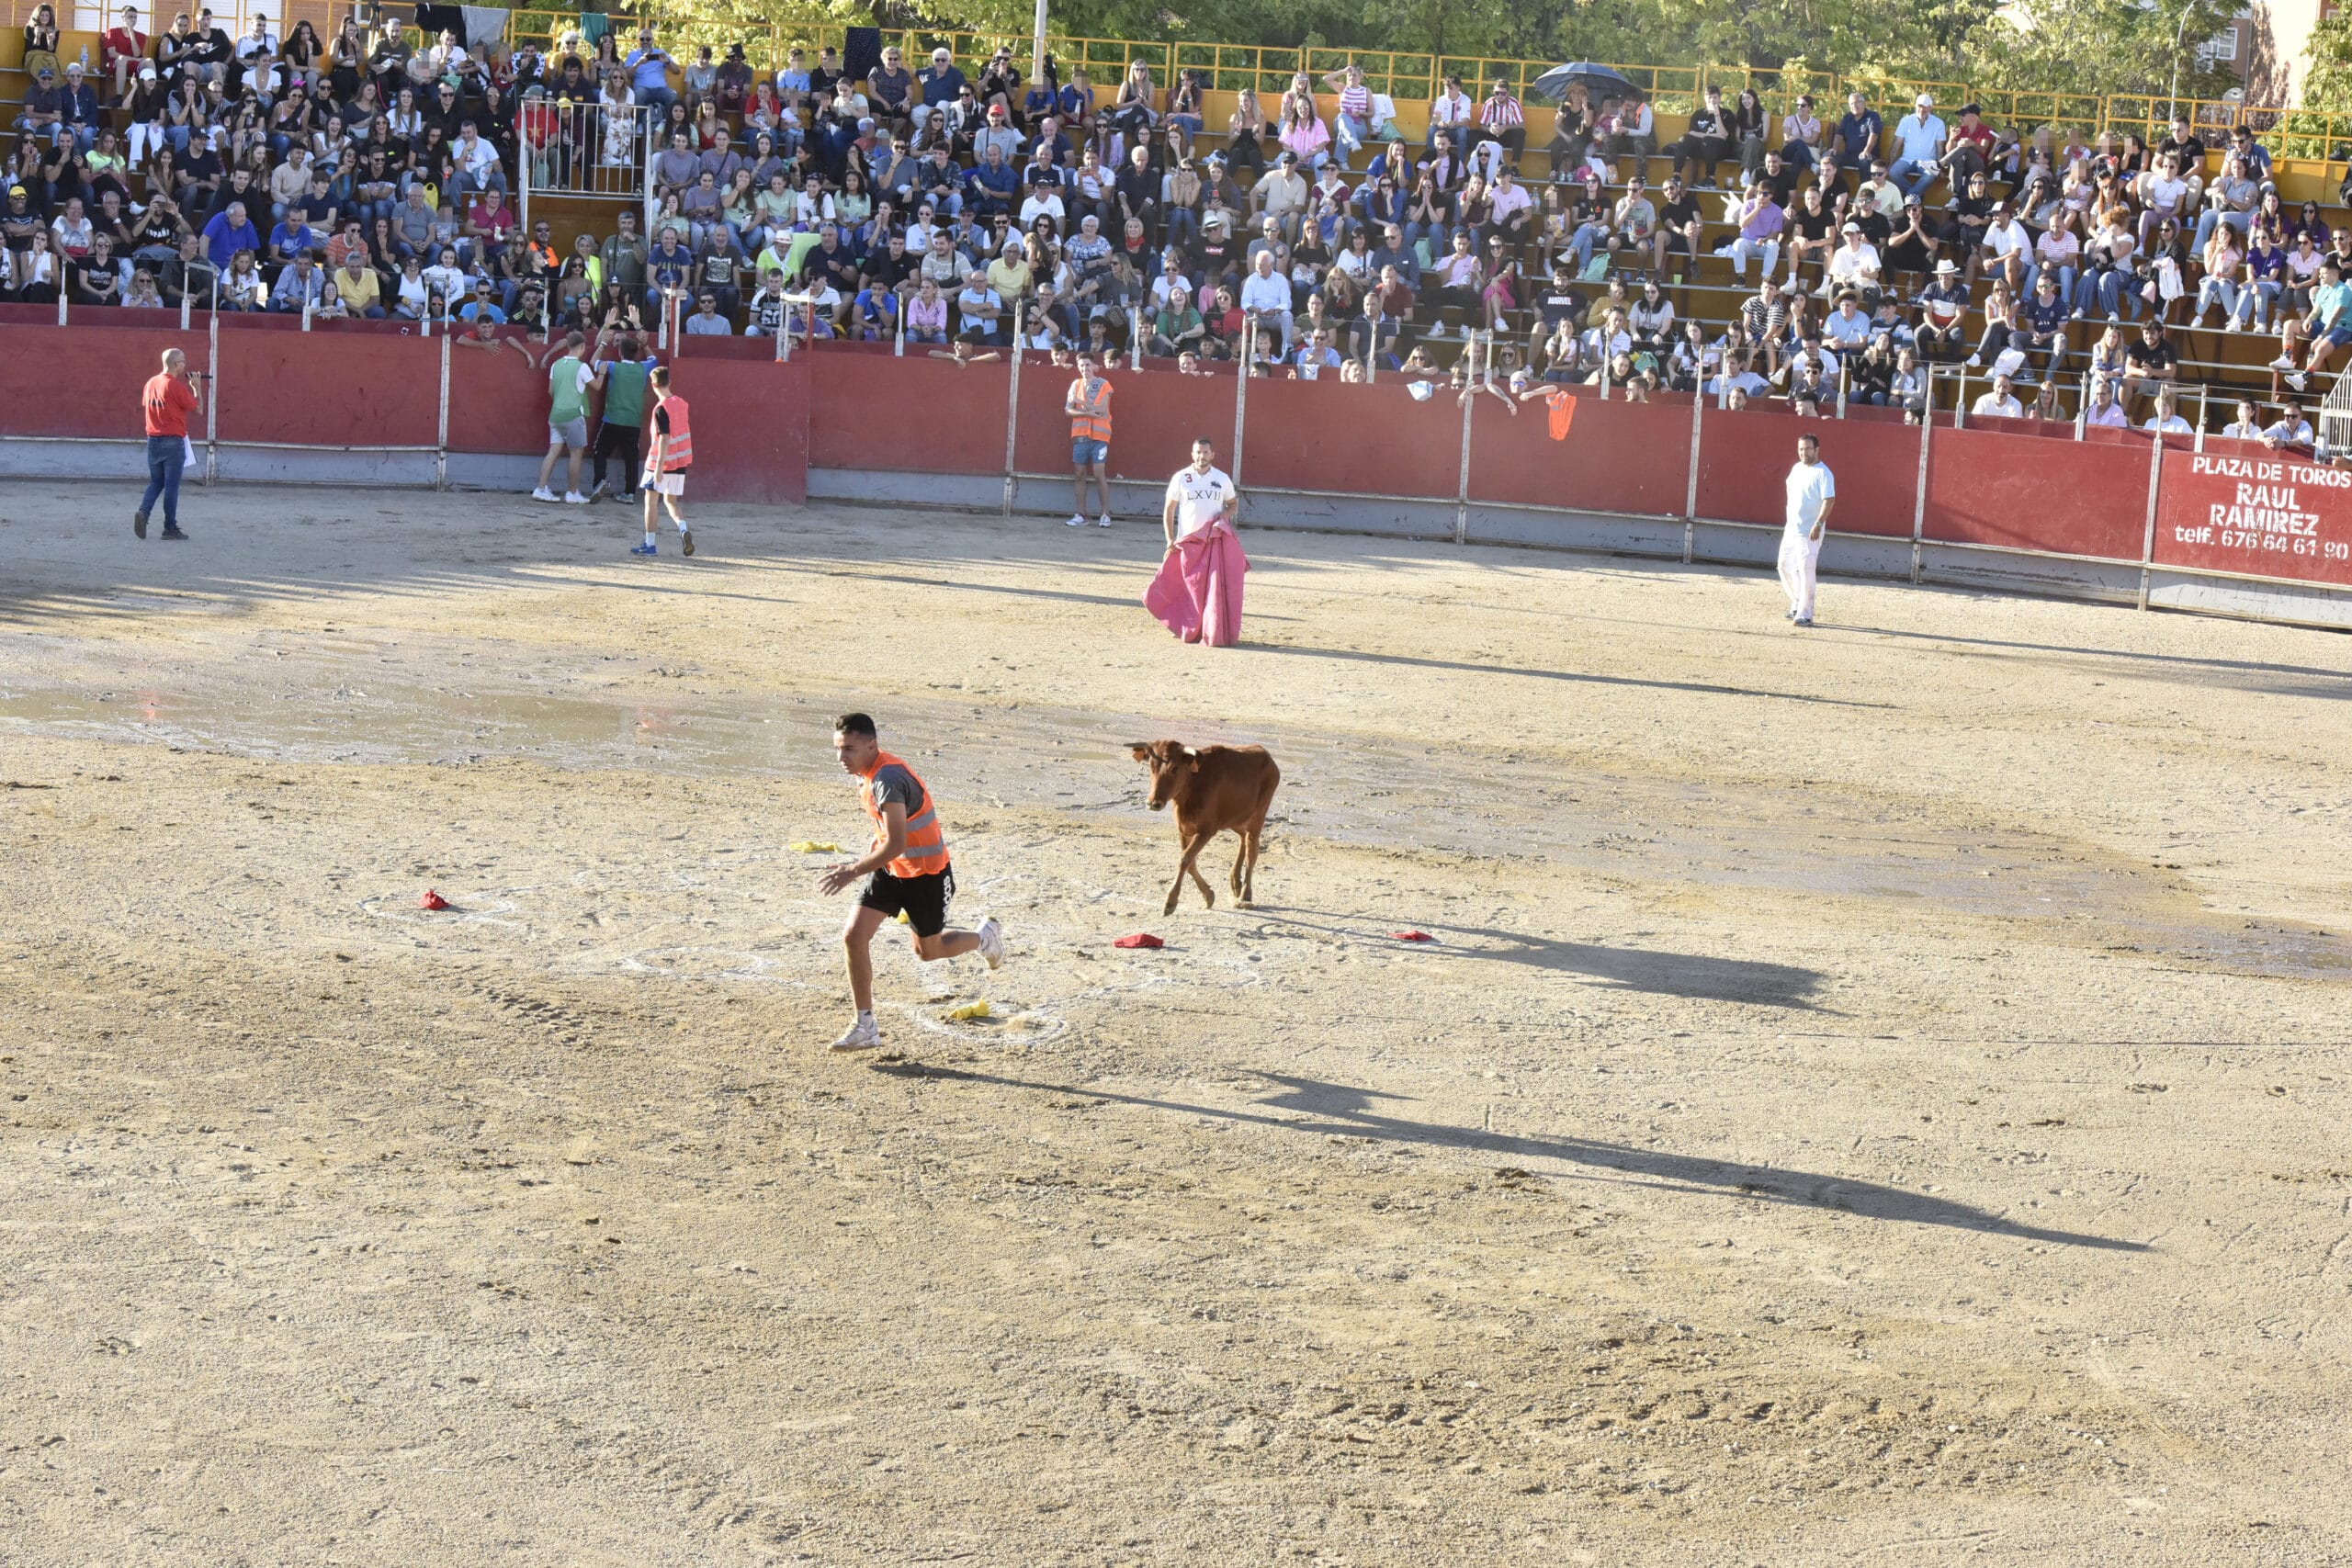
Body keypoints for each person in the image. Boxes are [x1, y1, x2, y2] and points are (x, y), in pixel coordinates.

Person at [817, 711, 1003, 1054]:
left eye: (849, 749)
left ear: (872, 745)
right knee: (853, 936)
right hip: (891, 871)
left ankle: (984, 938)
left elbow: (897, 843)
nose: (841, 757)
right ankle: (865, 1026)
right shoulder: (865, 773)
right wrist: (872, 850)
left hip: (926, 877)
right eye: (838, 749)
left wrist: (851, 870)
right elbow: (890, 834)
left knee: (928, 951)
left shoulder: (887, 778)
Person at [1147, 436, 1246, 647]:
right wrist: (1170, 539)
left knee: (1208, 588)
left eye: (1206, 452)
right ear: (1192, 454)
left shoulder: (1222, 478)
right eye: (1198, 452)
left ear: (1213, 454)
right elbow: (1169, 510)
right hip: (1187, 541)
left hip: (1212, 542)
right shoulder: (1181, 477)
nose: (1202, 456)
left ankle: (1205, 627)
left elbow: (1233, 504)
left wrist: (1225, 515)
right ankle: (1184, 625)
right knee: (1188, 587)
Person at [136, 347, 200, 541]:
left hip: (153, 440)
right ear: (175, 364)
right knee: (172, 486)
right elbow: (198, 409)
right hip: (172, 441)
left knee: (156, 482)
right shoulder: (175, 386)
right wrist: (197, 388)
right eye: (183, 361)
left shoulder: (150, 383)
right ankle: (169, 527)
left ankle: (144, 511)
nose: (185, 364)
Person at [633, 364, 694, 557]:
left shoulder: (661, 408)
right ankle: (683, 529)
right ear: (669, 382)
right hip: (680, 461)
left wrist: (659, 467)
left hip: (661, 462)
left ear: (653, 385)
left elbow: (665, 438)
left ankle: (650, 544)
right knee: (671, 501)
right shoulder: (682, 403)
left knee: (651, 501)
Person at [1780, 433, 1835, 628]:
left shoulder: (1824, 473)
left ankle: (1806, 613)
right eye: (1801, 449)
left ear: (1816, 450)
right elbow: (1789, 488)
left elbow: (1829, 500)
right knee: (1784, 565)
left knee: (1806, 570)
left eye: (1808, 449)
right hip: (1792, 527)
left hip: (1809, 530)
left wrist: (1818, 523)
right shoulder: (1796, 468)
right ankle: (1797, 603)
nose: (1803, 453)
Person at [533, 330, 594, 503]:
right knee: (576, 453)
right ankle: (572, 492)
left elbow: (551, 391)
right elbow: (596, 386)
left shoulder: (556, 364)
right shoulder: (582, 366)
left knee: (552, 452)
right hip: (573, 414)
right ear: (582, 347)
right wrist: (603, 374)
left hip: (556, 414)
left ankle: (541, 488)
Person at [1064, 351, 1114, 526]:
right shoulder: (1075, 384)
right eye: (1081, 365)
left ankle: (1105, 514)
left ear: (1094, 366)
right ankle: (1081, 514)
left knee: (1099, 473)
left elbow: (1102, 410)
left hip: (1100, 436)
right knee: (1079, 473)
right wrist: (1087, 412)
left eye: (1087, 365)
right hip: (1080, 435)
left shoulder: (1103, 384)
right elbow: (1068, 410)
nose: (1085, 368)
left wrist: (1081, 402)